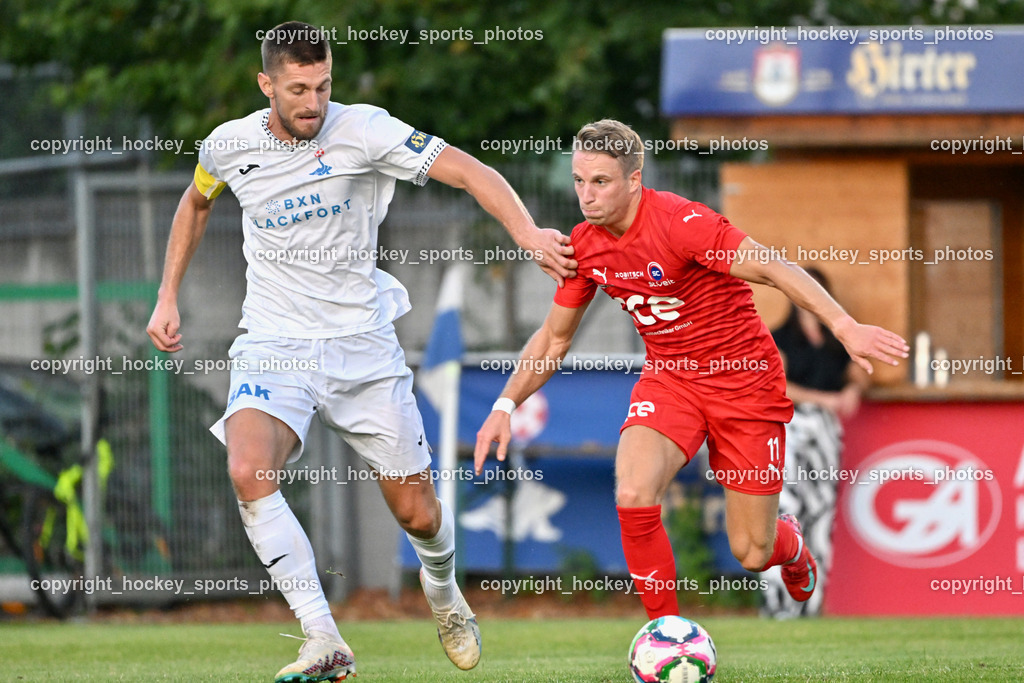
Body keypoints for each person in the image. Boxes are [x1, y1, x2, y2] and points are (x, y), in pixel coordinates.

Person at [146, 21, 576, 683]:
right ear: (266, 85)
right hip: (274, 341)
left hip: (363, 348)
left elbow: (467, 169)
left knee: (418, 512)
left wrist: (525, 230)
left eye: (322, 85)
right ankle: (323, 636)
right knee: (248, 467)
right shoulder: (228, 145)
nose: (314, 102)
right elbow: (196, 201)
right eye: (297, 90)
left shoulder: (365, 129)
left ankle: (442, 588)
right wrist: (167, 293)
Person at [474, 119, 907, 621]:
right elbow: (554, 338)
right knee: (634, 491)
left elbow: (771, 266)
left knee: (751, 552)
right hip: (671, 380)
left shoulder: (682, 223)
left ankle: (788, 547)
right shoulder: (585, 245)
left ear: (634, 180)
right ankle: (666, 635)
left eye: (600, 182)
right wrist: (506, 403)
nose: (585, 196)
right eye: (578, 181)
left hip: (744, 381)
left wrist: (843, 325)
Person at [761, 267, 868, 618]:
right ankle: (778, 605)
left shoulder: (835, 340)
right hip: (789, 426)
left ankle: (812, 603)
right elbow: (778, 387)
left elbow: (859, 373)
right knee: (787, 510)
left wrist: (853, 390)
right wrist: (827, 400)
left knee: (822, 512)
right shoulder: (779, 338)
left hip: (825, 431)